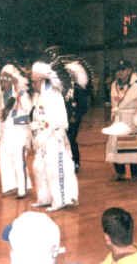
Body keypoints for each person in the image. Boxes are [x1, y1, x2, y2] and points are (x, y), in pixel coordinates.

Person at [30, 61, 78, 212]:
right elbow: (37, 117)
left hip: (54, 139)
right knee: (39, 168)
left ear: (42, 80)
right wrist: (35, 128)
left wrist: (44, 133)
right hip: (43, 139)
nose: (33, 85)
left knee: (55, 170)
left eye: (34, 81)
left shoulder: (53, 95)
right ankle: (44, 198)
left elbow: (58, 121)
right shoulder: (39, 96)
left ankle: (61, 199)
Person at [105, 59, 137, 181]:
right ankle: (120, 173)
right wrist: (113, 114)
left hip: (132, 120)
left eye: (123, 70)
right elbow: (114, 103)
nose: (120, 73)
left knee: (133, 147)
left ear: (129, 70)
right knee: (115, 147)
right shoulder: (114, 84)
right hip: (118, 119)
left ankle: (135, 174)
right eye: (118, 70)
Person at [0, 64, 33, 199]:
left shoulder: (21, 94)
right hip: (6, 135)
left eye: (7, 78)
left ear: (13, 80)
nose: (3, 81)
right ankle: (10, 186)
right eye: (2, 79)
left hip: (19, 134)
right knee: (4, 159)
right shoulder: (2, 95)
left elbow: (30, 114)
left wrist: (13, 121)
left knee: (18, 161)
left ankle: (22, 189)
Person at [64, 60, 90, 173]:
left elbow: (84, 106)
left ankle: (75, 162)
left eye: (71, 73)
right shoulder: (63, 88)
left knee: (71, 140)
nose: (69, 75)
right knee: (64, 140)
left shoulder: (79, 89)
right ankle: (66, 161)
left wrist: (76, 116)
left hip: (73, 119)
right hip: (63, 118)